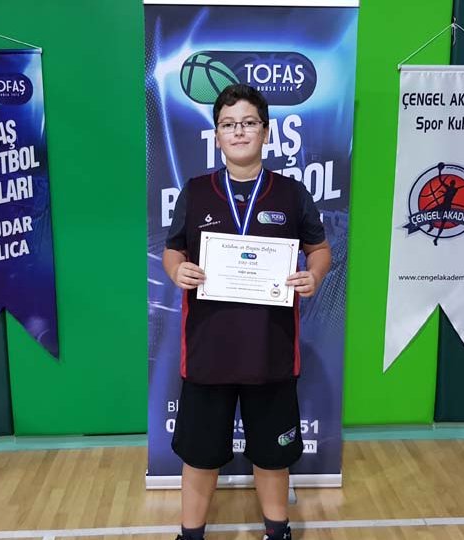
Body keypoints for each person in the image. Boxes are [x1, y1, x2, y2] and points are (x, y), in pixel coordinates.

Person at [162, 83, 331, 540]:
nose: (239, 131)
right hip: (208, 353)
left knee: (272, 457)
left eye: (248, 123)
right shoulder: (196, 192)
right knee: (199, 455)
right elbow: (173, 249)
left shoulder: (292, 194)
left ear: (265, 131)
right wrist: (177, 270)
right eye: (228, 124)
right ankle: (190, 535)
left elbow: (319, 250)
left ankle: (277, 532)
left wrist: (314, 275)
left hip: (270, 353)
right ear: (217, 135)